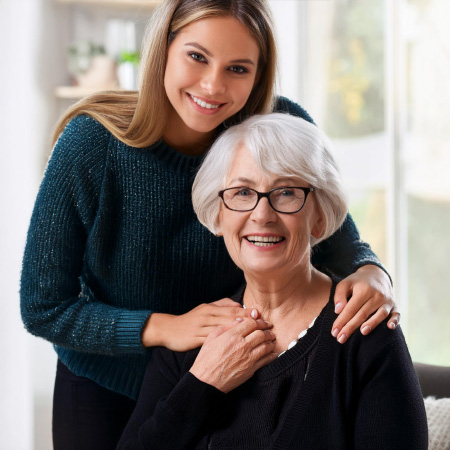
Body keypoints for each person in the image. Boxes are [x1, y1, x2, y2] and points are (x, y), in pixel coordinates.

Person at [20, 0, 398, 448]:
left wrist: (374, 271)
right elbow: (43, 306)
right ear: (163, 48)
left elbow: (334, 234)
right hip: (103, 383)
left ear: (259, 74)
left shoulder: (278, 125)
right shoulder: (92, 144)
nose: (213, 85)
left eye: (238, 68)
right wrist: (166, 327)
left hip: (227, 373)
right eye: (197, 57)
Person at [117, 113, 427, 450]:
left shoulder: (365, 331)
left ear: (319, 218)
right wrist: (202, 384)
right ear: (218, 214)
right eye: (242, 192)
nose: (262, 215)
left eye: (287, 193)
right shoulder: (192, 338)